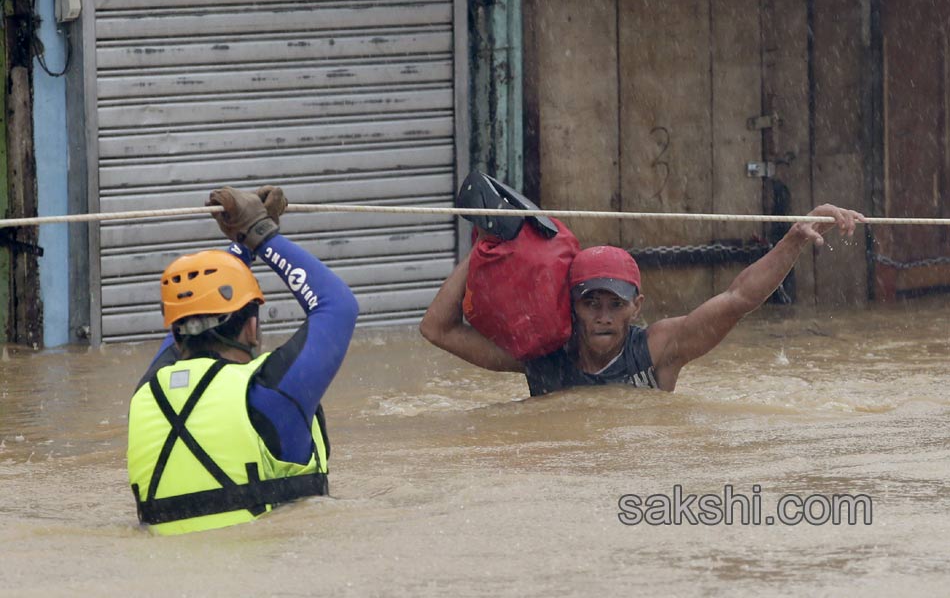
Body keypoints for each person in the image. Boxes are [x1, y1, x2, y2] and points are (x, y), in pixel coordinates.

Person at [421, 203, 866, 396]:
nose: (603, 317)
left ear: (637, 307)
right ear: (569, 307)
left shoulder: (659, 349)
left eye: (616, 305)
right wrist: (486, 248)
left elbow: (737, 298)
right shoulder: (541, 357)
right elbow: (436, 329)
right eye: (590, 303)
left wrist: (794, 236)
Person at [127, 185, 359, 535]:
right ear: (251, 328)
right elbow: (338, 306)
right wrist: (261, 236)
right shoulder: (270, 394)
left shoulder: (147, 393)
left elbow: (191, 318)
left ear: (174, 333)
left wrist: (242, 245)